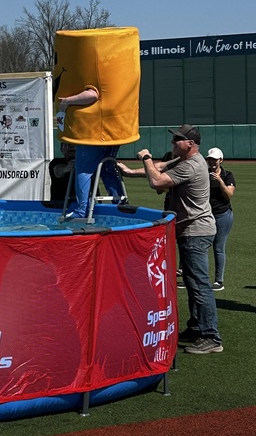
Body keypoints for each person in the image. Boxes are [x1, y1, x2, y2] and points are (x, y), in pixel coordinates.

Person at [118, 124, 222, 355]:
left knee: (199, 286)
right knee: (195, 284)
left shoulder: (192, 165)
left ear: (191, 144)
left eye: (178, 139)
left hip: (196, 231)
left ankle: (211, 337)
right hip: (191, 230)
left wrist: (145, 156)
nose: (173, 142)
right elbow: (159, 168)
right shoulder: (183, 161)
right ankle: (197, 327)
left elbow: (156, 180)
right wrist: (129, 171)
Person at [57, 86, 125, 219]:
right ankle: (121, 203)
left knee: (83, 169)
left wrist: (67, 101)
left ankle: (82, 209)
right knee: (107, 168)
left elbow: (92, 94)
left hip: (91, 132)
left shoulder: (91, 77)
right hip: (114, 129)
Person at [206, 147, 235, 290]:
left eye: (214, 159)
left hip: (223, 215)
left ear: (220, 160)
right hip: (206, 215)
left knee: (218, 247)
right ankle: (200, 278)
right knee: (202, 246)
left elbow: (229, 195)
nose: (211, 161)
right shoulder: (203, 174)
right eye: (209, 159)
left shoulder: (227, 175)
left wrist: (220, 182)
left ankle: (219, 281)